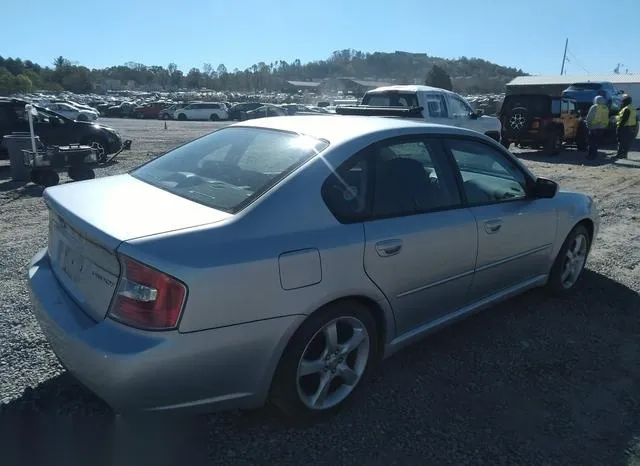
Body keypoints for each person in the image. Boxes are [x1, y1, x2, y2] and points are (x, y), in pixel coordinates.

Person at [615, 94, 637, 159]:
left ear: (625, 101)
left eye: (623, 101)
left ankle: (619, 155)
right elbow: (635, 118)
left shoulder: (626, 109)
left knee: (621, 141)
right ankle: (624, 154)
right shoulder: (632, 107)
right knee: (627, 142)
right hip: (631, 127)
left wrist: (619, 127)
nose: (622, 102)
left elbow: (624, 119)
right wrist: (634, 127)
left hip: (624, 127)